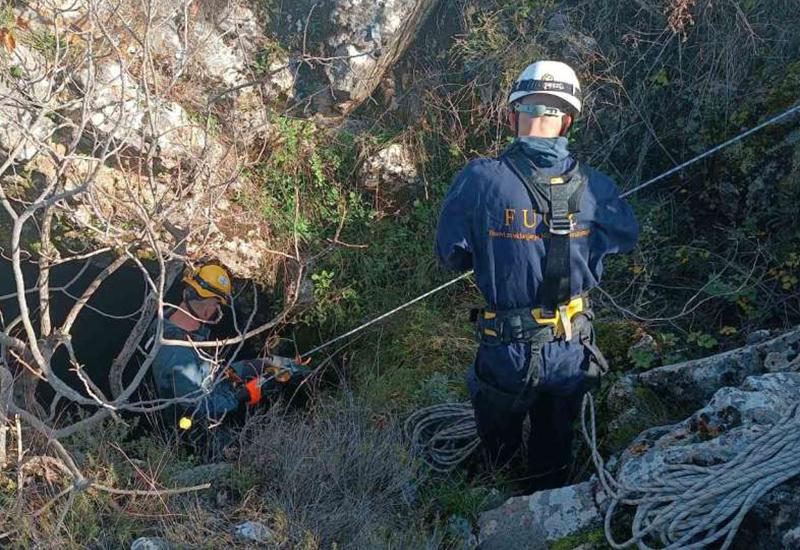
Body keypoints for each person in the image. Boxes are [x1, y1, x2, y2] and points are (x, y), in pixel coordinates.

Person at [435, 60, 638, 491]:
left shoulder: (479, 179)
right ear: (567, 120)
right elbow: (624, 237)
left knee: (498, 459)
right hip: (571, 347)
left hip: (505, 350)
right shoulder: (598, 187)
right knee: (554, 459)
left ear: (513, 117)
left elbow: (452, 255)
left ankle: (497, 510)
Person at [149, 263, 307, 453]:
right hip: (192, 436)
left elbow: (206, 375)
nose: (217, 310)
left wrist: (260, 364)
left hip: (199, 396)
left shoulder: (168, 323)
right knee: (251, 453)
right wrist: (243, 393)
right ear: (207, 310)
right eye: (217, 305)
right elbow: (203, 408)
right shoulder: (179, 356)